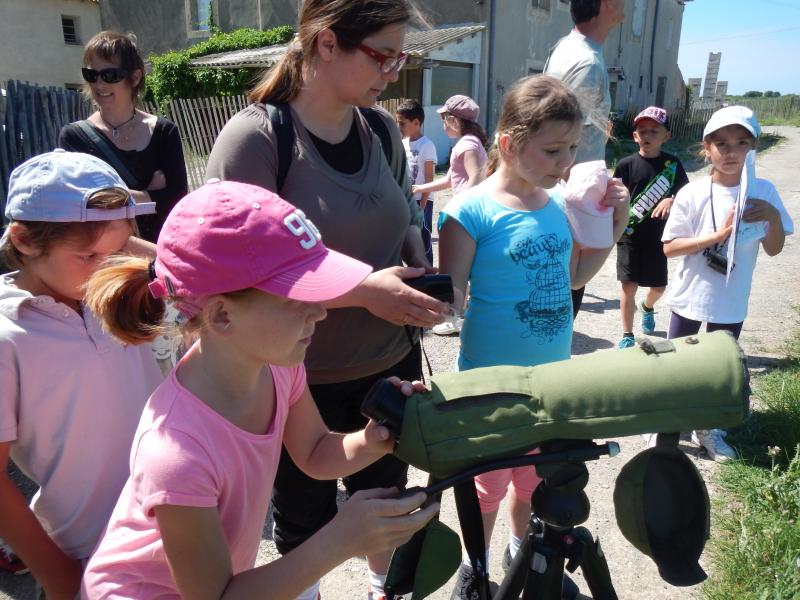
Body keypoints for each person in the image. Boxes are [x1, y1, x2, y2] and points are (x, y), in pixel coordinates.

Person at [80, 180, 439, 600]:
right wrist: (339, 540)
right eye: (299, 296)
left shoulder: (277, 366)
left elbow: (315, 451)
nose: (321, 310)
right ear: (222, 316)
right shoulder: (177, 454)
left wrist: (374, 439)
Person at [204, 3, 450, 598]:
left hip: (389, 361)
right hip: (296, 376)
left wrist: (415, 249)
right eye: (383, 54)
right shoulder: (258, 139)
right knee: (304, 523)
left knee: (389, 503)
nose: (394, 72)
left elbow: (400, 215)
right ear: (327, 43)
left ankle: (382, 591)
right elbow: (229, 278)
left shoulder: (382, 130)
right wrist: (366, 292)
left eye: (402, 56)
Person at [437, 75, 629, 600]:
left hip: (551, 382)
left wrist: (617, 224)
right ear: (508, 143)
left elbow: (573, 278)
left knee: (537, 482)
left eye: (571, 148)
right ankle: (475, 565)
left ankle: (525, 553)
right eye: (551, 150)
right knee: (484, 488)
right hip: (491, 386)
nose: (565, 162)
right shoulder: (469, 211)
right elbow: (448, 300)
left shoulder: (557, 206)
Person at [0, 150, 162, 599]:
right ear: (25, 240)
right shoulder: (7, 335)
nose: (108, 272)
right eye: (89, 256)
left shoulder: (121, 294)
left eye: (117, 253)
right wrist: (58, 577)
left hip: (173, 531)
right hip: (86, 553)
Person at [662, 105, 793, 461]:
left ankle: (708, 427)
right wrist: (716, 236)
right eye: (721, 143)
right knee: (677, 364)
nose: (731, 151)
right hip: (690, 296)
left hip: (731, 300)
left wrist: (772, 218)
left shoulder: (763, 192)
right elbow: (670, 247)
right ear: (706, 148)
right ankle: (667, 423)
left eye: (741, 142)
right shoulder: (692, 193)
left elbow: (775, 248)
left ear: (754, 147)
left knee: (720, 369)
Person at [58, 31, 188, 244]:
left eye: (110, 75)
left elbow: (177, 200)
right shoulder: (75, 137)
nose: (99, 84)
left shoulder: (164, 132)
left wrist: (115, 199)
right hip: (106, 260)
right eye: (92, 75)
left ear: (135, 77)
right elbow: (83, 207)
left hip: (159, 253)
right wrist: (148, 195)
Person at [544, 0, 625, 319]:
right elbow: (560, 139)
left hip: (567, 196)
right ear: (606, 4)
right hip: (573, 198)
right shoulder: (587, 61)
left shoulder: (567, 47)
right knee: (564, 301)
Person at [412, 94, 489, 335]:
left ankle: (450, 319)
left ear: (455, 120)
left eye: (445, 119)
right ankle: (458, 314)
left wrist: (457, 208)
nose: (443, 125)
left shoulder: (467, 144)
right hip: (467, 215)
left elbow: (476, 177)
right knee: (463, 270)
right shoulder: (469, 142)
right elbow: (450, 180)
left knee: (452, 271)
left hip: (461, 218)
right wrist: (421, 188)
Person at [614, 106, 689, 349]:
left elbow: (687, 195)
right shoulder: (625, 164)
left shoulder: (673, 165)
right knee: (628, 285)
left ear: (666, 135)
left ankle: (648, 306)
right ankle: (627, 334)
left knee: (658, 287)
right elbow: (613, 196)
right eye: (642, 131)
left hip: (659, 237)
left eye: (654, 131)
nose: (647, 135)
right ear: (635, 136)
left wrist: (671, 199)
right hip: (629, 235)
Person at [396, 99, 438, 265]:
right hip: (406, 199)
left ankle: (429, 278)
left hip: (423, 201)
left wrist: (422, 207)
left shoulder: (427, 145)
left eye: (402, 123)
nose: (399, 127)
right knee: (407, 239)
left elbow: (429, 179)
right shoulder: (402, 143)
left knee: (424, 238)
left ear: (416, 122)